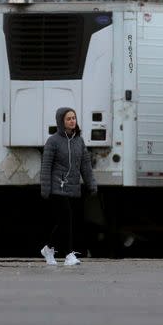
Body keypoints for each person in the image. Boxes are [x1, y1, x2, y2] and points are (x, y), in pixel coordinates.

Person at [40, 107, 97, 266]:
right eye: (68, 119)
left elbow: (85, 165)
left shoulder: (79, 141)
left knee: (65, 222)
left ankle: (49, 248)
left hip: (72, 187)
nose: (72, 121)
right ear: (61, 122)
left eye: (74, 118)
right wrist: (45, 189)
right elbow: (46, 166)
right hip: (57, 187)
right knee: (66, 220)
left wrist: (91, 184)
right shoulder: (53, 141)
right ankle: (68, 255)